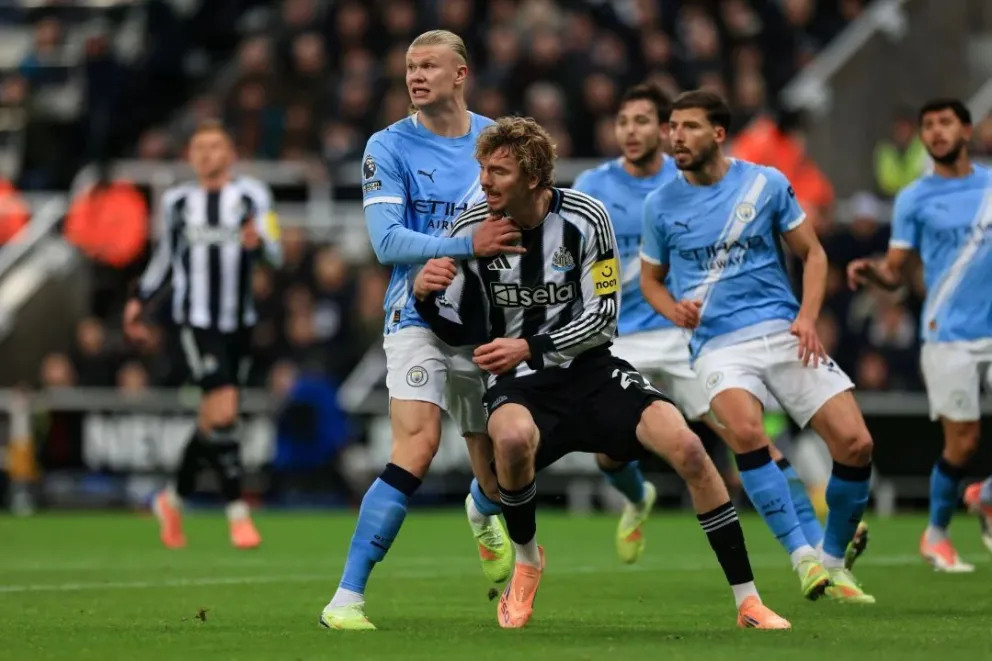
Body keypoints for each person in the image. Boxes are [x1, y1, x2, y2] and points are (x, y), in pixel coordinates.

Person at [414, 115, 791, 631]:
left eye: (498, 171)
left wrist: (530, 343)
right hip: (521, 383)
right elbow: (457, 328)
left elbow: (602, 318)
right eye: (483, 169)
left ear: (531, 177)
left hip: (591, 372)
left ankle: (749, 601)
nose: (484, 181)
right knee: (511, 439)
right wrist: (426, 299)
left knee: (689, 448)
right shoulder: (470, 226)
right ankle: (526, 562)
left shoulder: (588, 218)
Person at [572, 83, 849, 568]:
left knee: (745, 435)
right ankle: (638, 499)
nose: (629, 131)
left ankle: (817, 544)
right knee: (609, 452)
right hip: (622, 336)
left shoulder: (686, 189)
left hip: (682, 333)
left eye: (642, 121)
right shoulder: (594, 185)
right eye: (622, 121)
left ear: (665, 130)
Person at [641, 90, 875, 604]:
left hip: (783, 331)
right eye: (672, 126)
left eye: (689, 127)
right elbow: (651, 279)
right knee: (746, 432)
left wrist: (808, 317)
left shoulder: (765, 183)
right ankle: (802, 558)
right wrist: (670, 309)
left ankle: (834, 562)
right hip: (718, 344)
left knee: (856, 445)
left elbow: (813, 255)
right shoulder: (660, 204)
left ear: (718, 134)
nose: (675, 136)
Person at [319, 30, 517, 632]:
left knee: (504, 463)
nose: (416, 75)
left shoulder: (498, 142)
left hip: (485, 321)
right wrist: (460, 244)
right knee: (417, 445)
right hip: (416, 316)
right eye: (409, 66)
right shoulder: (388, 146)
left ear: (462, 73)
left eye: (429, 65)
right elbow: (385, 241)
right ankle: (346, 598)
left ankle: (483, 509)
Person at [124, 120, 281, 550]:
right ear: (190, 156)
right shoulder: (177, 202)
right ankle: (237, 514)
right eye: (198, 148)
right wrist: (139, 299)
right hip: (196, 322)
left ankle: (170, 500)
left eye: (214, 146)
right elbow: (165, 260)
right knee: (225, 412)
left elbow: (276, 250)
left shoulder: (253, 196)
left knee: (212, 419)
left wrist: (260, 245)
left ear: (230, 153)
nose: (206, 154)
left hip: (240, 323)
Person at [849, 98, 990, 572]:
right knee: (962, 443)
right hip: (947, 331)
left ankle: (986, 493)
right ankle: (936, 535)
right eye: (928, 126)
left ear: (965, 131)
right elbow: (896, 273)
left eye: (945, 123)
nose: (935, 132)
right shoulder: (913, 198)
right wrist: (872, 273)